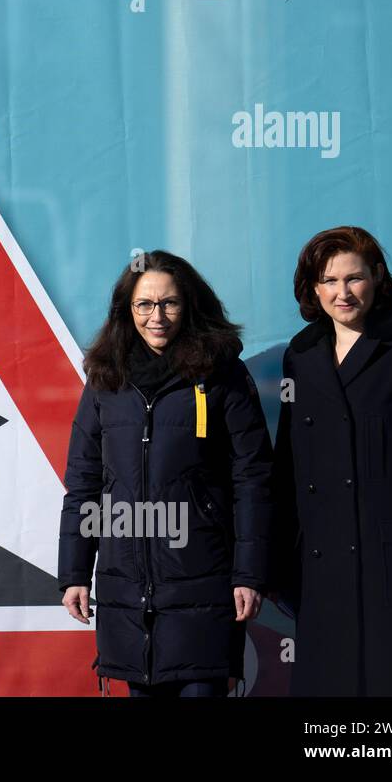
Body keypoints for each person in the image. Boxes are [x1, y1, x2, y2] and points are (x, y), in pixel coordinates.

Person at [57, 250, 274, 696]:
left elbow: (252, 481)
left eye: (170, 303)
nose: (157, 317)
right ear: (127, 309)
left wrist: (249, 574)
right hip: (127, 589)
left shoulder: (222, 376)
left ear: (189, 305)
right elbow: (84, 483)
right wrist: (75, 572)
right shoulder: (105, 378)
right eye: (145, 305)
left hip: (205, 584)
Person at [271, 226, 392, 695]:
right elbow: (286, 464)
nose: (343, 293)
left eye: (354, 278)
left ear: (377, 277)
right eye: (330, 281)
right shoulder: (300, 356)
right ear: (313, 289)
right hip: (319, 570)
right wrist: (276, 565)